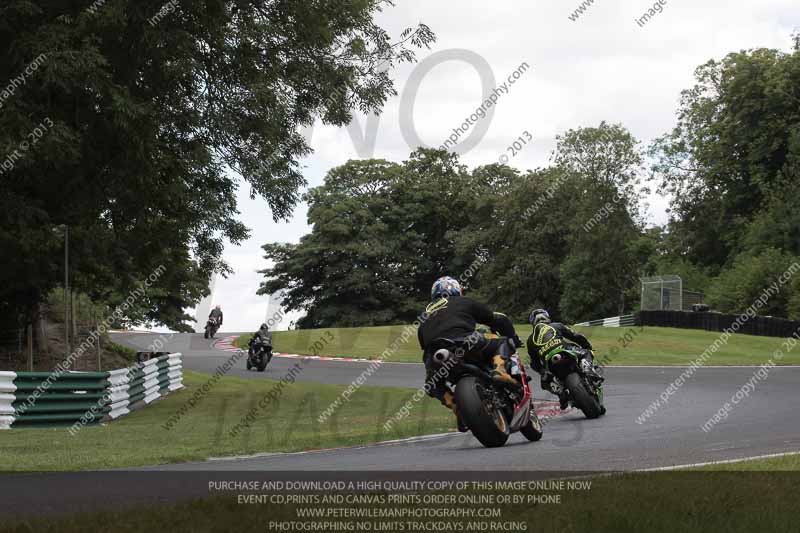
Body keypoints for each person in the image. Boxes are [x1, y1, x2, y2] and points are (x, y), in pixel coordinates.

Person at [418, 276, 523, 431]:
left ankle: (456, 406)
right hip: (465, 343)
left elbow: (424, 343)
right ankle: (499, 369)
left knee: (432, 384)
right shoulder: (463, 301)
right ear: (456, 290)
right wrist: (513, 337)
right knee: (503, 342)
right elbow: (496, 319)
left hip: (434, 356)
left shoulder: (424, 316)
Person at [526, 308, 598, 410]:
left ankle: (561, 394)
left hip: (550, 362)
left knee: (545, 381)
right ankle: (587, 369)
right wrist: (587, 346)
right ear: (547, 317)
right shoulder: (556, 325)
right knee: (587, 352)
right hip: (565, 350)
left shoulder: (530, 340)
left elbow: (534, 363)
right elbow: (575, 336)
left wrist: (542, 371)